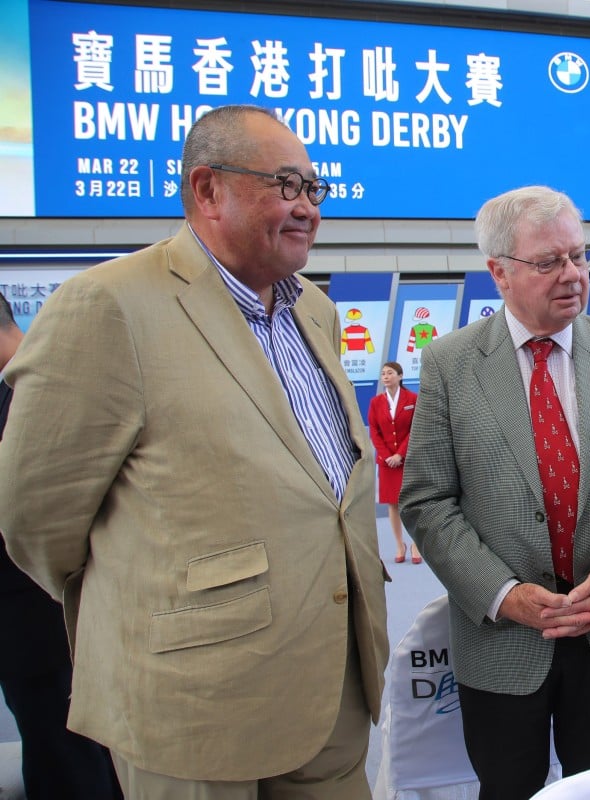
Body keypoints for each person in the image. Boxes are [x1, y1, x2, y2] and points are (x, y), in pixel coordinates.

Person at [0, 104, 389, 799]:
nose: (308, 209)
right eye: (286, 185)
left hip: (331, 683)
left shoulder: (316, 312)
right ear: (207, 189)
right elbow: (37, 519)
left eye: (314, 190)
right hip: (195, 706)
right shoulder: (107, 306)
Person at [400, 185, 590, 800]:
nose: (573, 275)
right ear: (498, 272)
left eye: (580, 256)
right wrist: (504, 595)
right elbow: (427, 500)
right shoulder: (450, 365)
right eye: (550, 261)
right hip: (504, 639)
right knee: (507, 789)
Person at [0, 292, 122, 800]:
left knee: (64, 748)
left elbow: (38, 515)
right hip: (55, 611)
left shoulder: (39, 391)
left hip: (45, 609)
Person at [368, 361, 421, 564]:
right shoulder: (376, 403)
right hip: (387, 462)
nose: (386, 376)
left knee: (413, 503)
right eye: (383, 373)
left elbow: (414, 428)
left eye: (390, 373)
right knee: (393, 504)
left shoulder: (412, 399)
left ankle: (417, 543)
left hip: (407, 460)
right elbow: (374, 431)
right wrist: (386, 456)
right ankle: (400, 545)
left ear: (400, 376)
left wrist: (400, 454)